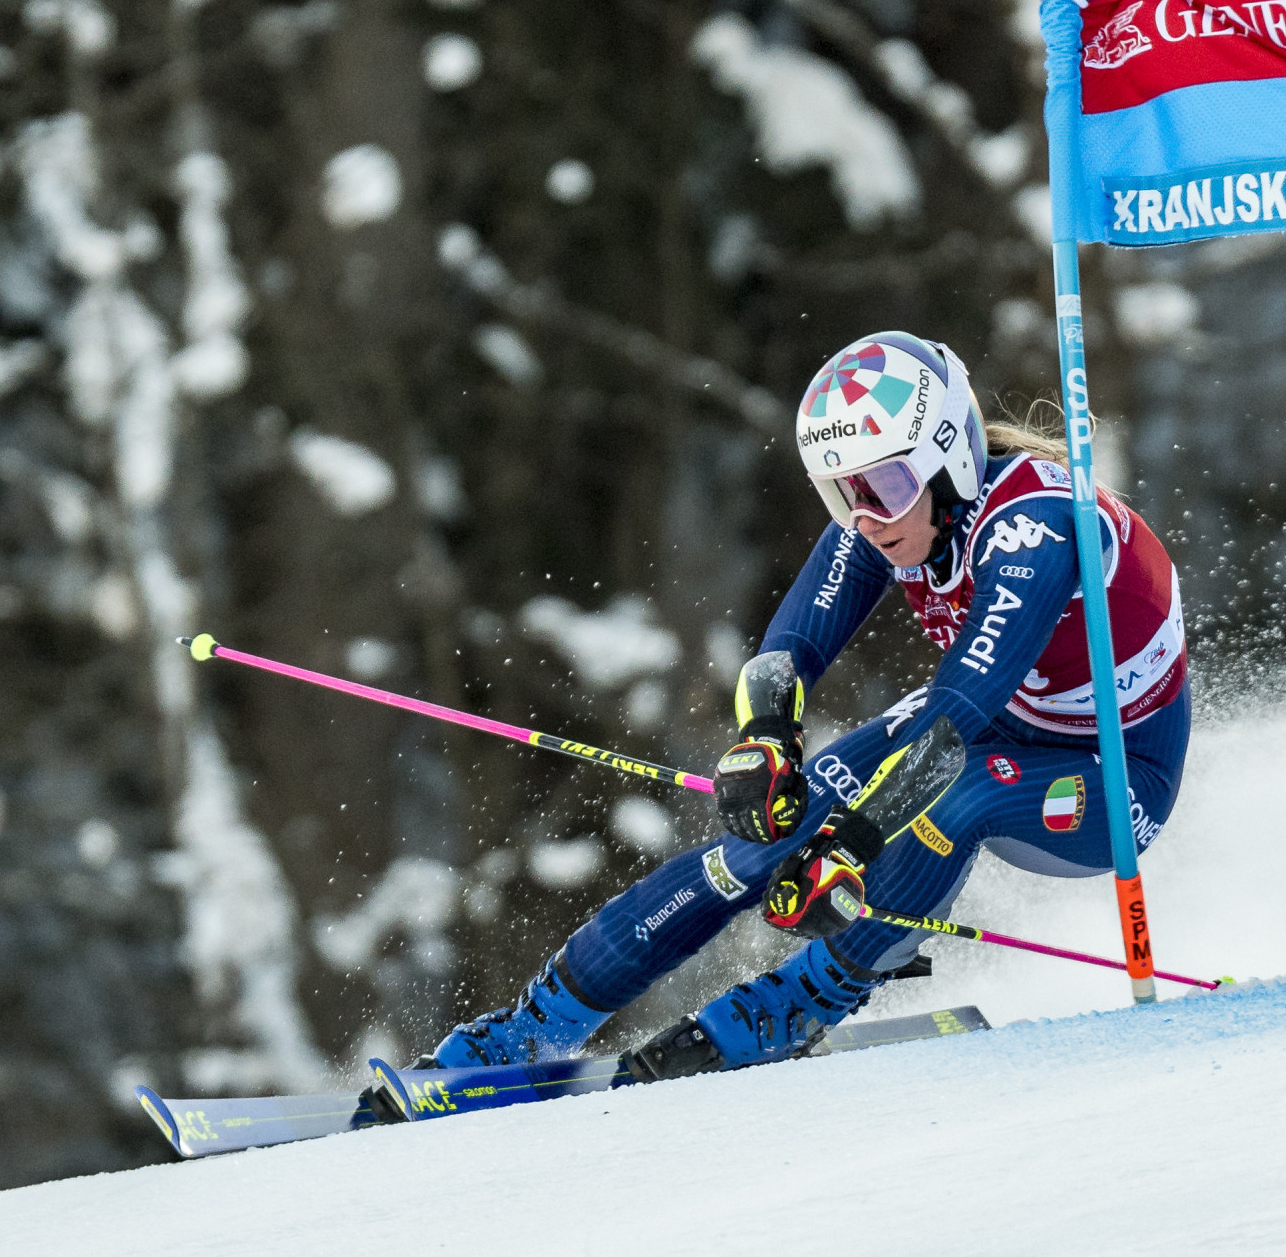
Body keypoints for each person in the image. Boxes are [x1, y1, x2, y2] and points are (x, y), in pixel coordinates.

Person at [428, 331, 1189, 1078]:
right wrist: (766, 738)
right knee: (769, 833)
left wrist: (853, 843)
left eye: (884, 487)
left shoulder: (1038, 525)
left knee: (956, 789)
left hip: (1113, 778)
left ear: (949, 457)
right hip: (993, 725)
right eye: (841, 491)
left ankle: (802, 1000)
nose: (867, 518)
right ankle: (534, 1026)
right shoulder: (889, 516)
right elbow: (788, 651)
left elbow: (958, 711)